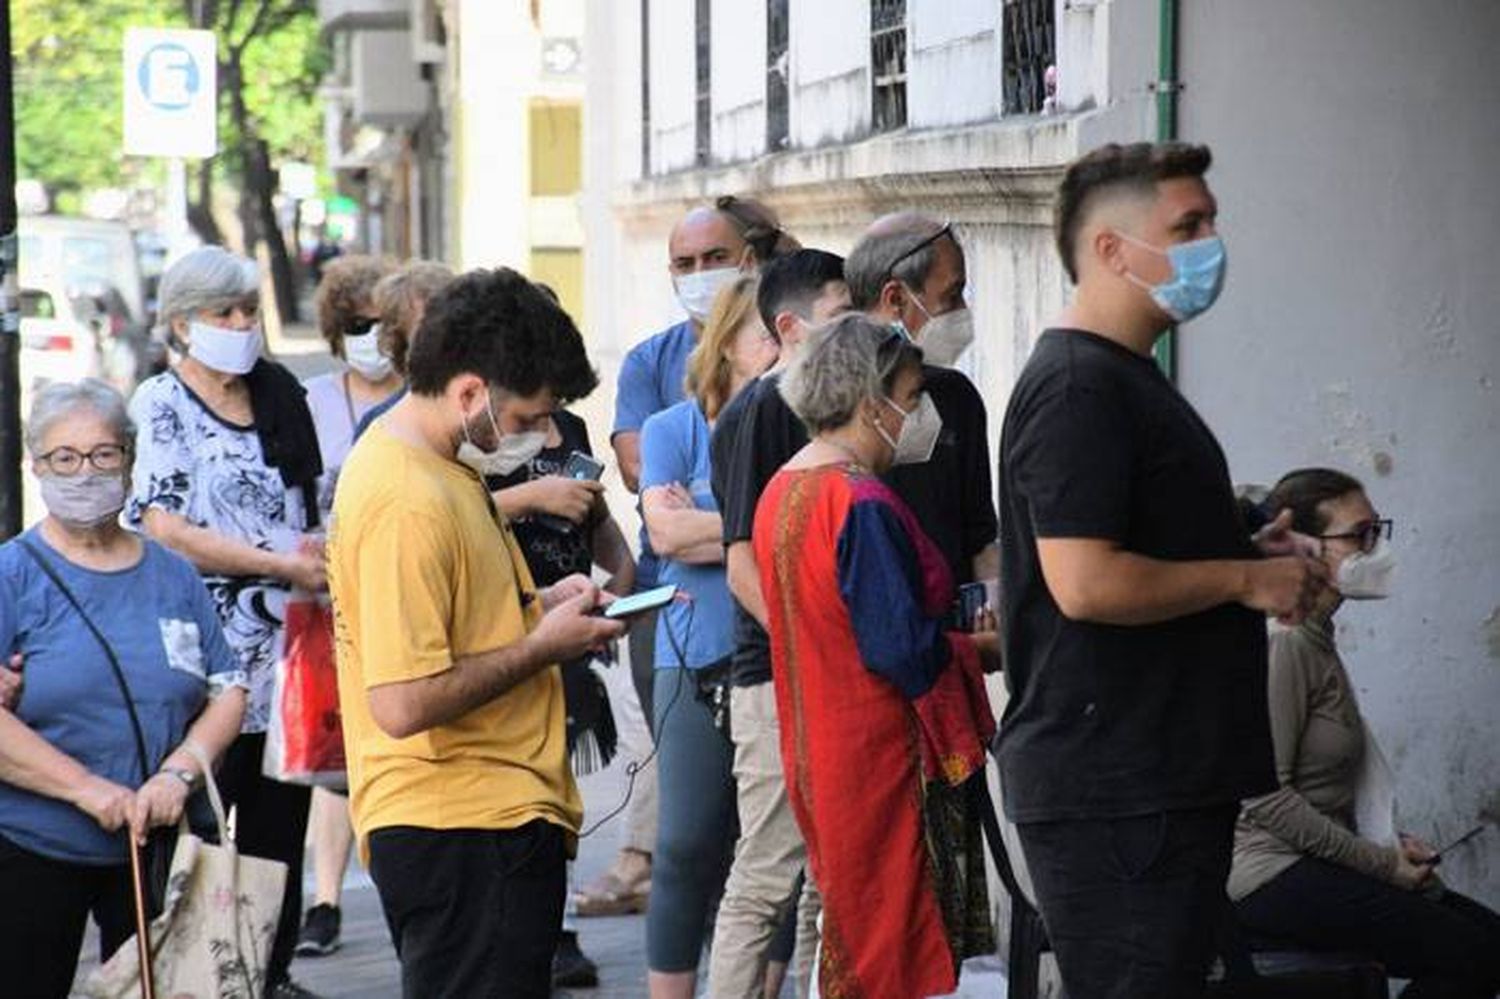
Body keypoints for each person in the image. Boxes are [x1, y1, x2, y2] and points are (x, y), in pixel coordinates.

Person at [995, 141, 1328, 999]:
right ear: (1111, 248)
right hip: (1119, 789)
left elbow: (1141, 545)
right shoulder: (1077, 389)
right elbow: (1086, 581)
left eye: (1210, 220)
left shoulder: (1126, 378)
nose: (1210, 242)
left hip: (1161, 779)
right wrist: (1245, 583)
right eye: (1189, 225)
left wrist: (1249, 552)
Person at [328, 267, 628, 998]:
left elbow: (459, 617)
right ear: (469, 394)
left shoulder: (442, 467)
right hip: (462, 829)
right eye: (528, 419)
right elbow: (401, 700)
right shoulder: (409, 498)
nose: (542, 437)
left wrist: (542, 603)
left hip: (482, 819)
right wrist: (542, 646)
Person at [754, 315, 1001, 997]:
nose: (920, 411)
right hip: (878, 756)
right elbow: (903, 651)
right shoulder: (859, 500)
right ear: (871, 403)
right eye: (913, 394)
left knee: (856, 927)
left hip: (818, 747)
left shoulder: (784, 488)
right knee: (889, 944)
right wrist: (979, 648)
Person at [0, 380, 247, 999]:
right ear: (36, 466)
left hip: (158, 850)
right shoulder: (11, 574)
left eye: (103, 454)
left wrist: (180, 774)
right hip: (32, 849)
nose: (85, 472)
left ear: (130, 462)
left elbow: (228, 687)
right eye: (65, 458)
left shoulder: (172, 572)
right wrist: (88, 791)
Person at [584, 194, 795, 917]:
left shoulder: (794, 348)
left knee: (769, 817)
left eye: (715, 258)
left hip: (777, 603)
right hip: (669, 603)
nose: (700, 274)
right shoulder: (652, 360)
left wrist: (708, 509)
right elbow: (646, 479)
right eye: (684, 263)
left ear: (752, 259)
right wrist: (762, 514)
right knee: (696, 820)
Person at [127, 245, 328, 999]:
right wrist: (278, 565)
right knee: (200, 830)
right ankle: (195, 975)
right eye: (224, 312)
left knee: (279, 833)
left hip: (286, 657)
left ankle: (270, 974)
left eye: (248, 310)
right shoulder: (162, 403)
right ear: (182, 323)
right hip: (205, 660)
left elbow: (310, 503)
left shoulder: (281, 393)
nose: (241, 324)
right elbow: (163, 524)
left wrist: (312, 560)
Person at [1231, 468, 1500, 998]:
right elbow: (1264, 795)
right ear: (1305, 547)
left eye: (1379, 531)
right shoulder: (1286, 644)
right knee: (1477, 954)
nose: (1375, 551)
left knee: (1486, 943)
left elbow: (1324, 788)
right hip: (1268, 874)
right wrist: (1383, 865)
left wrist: (1391, 845)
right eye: (1360, 535)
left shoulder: (1316, 638)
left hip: (1317, 860)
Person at [706, 248, 852, 998]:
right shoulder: (764, 409)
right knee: (766, 877)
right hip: (775, 679)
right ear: (791, 326)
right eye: (838, 316)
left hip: (817, 675)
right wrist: (815, 657)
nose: (852, 330)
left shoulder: (824, 407)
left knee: (827, 879)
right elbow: (743, 565)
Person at [487, 282, 637, 989]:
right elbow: (458, 513)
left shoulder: (570, 429)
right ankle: (523, 926)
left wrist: (626, 580)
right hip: (511, 623)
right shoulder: (485, 428)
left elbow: (599, 518)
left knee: (561, 784)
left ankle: (558, 928)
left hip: (572, 614)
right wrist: (532, 495)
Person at [639, 274, 779, 999]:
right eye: (767, 335)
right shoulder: (672, 428)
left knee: (772, 843)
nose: (782, 350)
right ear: (726, 343)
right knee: (686, 842)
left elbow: (793, 533)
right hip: (691, 652)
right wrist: (749, 527)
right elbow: (664, 534)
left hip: (778, 655)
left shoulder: (791, 424)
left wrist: (710, 519)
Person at [295, 254, 399, 959]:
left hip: (397, 586)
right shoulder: (315, 404)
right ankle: (324, 899)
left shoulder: (422, 398)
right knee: (335, 755)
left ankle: (399, 896)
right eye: (359, 324)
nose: (373, 336)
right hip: (330, 594)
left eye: (384, 323)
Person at [844, 213, 1000, 582]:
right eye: (951, 295)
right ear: (895, 298)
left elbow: (980, 537)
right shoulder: (807, 404)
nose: (962, 311)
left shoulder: (955, 396)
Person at [349, 261, 456, 437]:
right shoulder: (379, 427)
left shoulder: (499, 411)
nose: (446, 337)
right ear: (400, 344)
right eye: (428, 329)